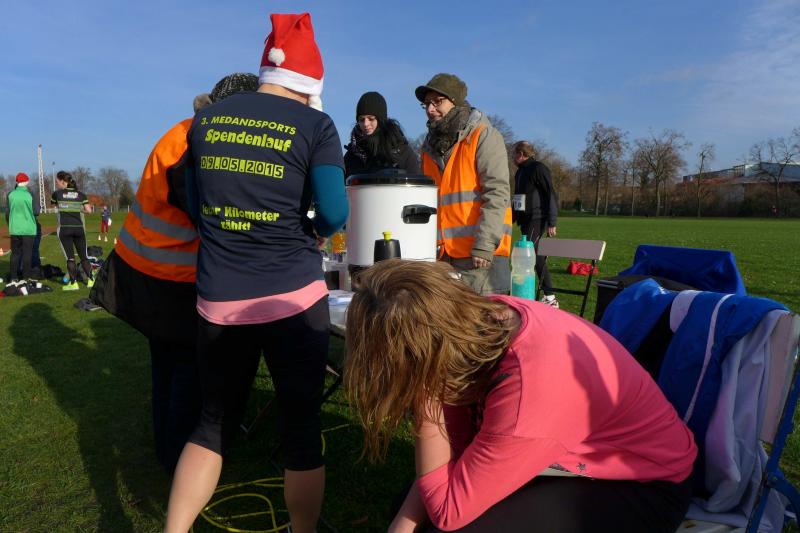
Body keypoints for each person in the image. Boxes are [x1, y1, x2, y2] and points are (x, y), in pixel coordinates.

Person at [344, 259, 697, 533]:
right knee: (412, 509)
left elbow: (448, 512)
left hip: (645, 483)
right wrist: (402, 525)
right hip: (572, 459)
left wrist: (424, 405)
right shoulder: (478, 322)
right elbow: (456, 448)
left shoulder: (529, 388)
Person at [164, 13, 348, 533]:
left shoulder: (207, 120)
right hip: (293, 297)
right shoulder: (317, 126)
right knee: (301, 427)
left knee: (212, 425)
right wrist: (309, 227)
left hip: (219, 298)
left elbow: (196, 205)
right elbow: (334, 213)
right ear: (311, 85)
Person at [90, 73, 259, 474]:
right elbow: (211, 214)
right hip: (170, 280)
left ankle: (165, 450)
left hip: (146, 272)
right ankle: (178, 461)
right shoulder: (198, 143)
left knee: (165, 367)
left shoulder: (183, 132)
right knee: (188, 372)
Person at [416, 73, 512, 295]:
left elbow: (497, 194)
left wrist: (485, 244)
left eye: (437, 102)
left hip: (481, 257)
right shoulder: (428, 148)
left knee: (485, 317)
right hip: (443, 258)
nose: (430, 109)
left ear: (456, 101)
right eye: (426, 104)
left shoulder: (484, 136)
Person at [512, 140, 559, 308]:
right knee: (531, 254)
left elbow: (550, 194)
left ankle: (550, 297)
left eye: (514, 154)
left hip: (538, 218)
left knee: (532, 253)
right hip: (524, 220)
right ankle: (526, 293)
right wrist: (511, 218)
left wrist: (552, 221)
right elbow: (518, 197)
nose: (512, 157)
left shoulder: (538, 168)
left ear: (521, 154)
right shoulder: (519, 172)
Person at [344, 91, 419, 177]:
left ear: (381, 120)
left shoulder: (401, 152)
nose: (365, 124)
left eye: (371, 119)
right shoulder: (351, 155)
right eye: (361, 119)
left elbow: (416, 183)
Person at [51, 171, 94, 290]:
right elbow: (89, 211)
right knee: (84, 257)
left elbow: (54, 206)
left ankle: (73, 283)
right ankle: (91, 281)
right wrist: (78, 209)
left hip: (64, 228)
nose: (57, 183)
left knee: (70, 258)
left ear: (63, 181)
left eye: (57, 181)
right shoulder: (81, 194)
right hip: (79, 228)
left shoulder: (57, 194)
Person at [5, 172, 38, 284]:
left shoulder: (10, 194)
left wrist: (11, 224)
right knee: (27, 254)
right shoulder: (30, 194)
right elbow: (36, 211)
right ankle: (25, 278)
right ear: (27, 182)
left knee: (15, 254)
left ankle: (13, 278)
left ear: (17, 182)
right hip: (28, 229)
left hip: (15, 228)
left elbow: (7, 213)